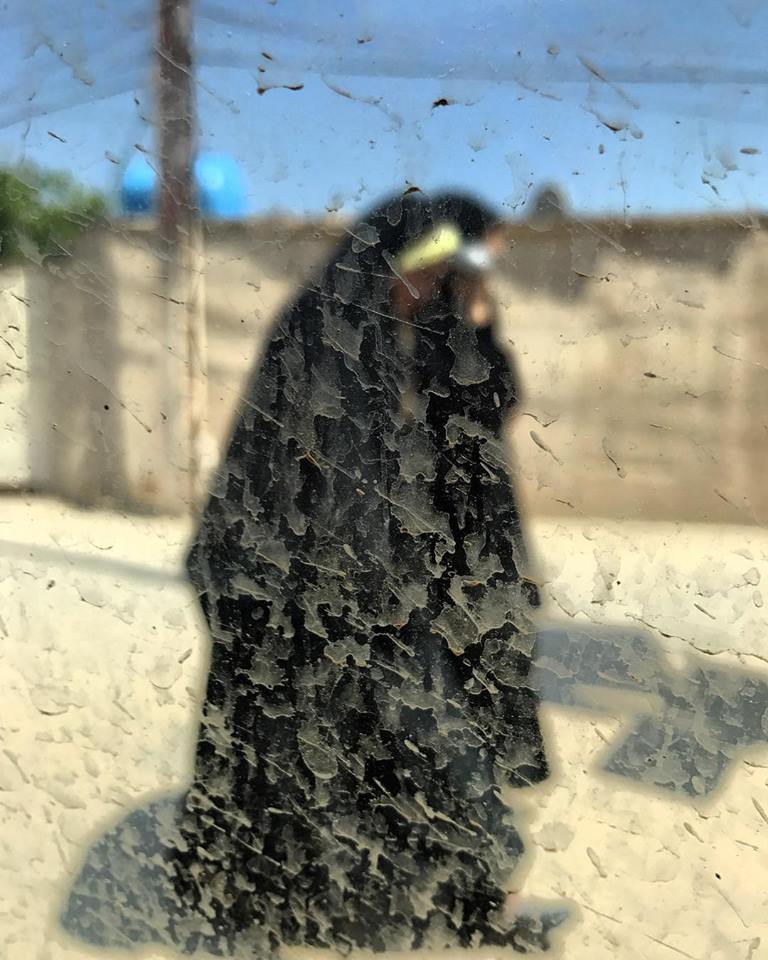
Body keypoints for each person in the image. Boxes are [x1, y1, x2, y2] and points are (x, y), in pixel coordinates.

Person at [62, 190, 563, 956]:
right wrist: (368, 592)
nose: (441, 285)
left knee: (415, 755)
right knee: (339, 756)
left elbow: (487, 407)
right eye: (444, 267)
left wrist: (478, 309)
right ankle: (439, 905)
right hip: (301, 593)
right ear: (404, 262)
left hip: (385, 594)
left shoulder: (423, 328)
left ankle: (470, 903)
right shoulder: (322, 332)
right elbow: (310, 488)